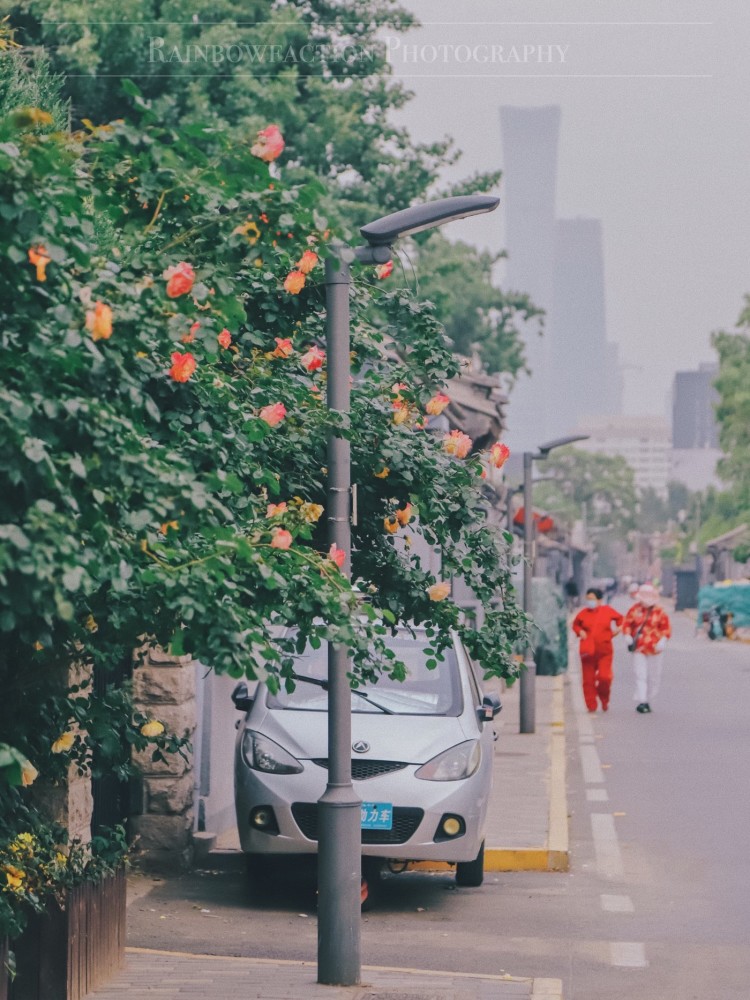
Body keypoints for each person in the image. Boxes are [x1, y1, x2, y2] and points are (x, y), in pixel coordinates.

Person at [622, 583, 672, 714]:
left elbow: (666, 628)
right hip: (639, 647)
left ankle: (649, 699)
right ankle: (642, 700)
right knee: (640, 674)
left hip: (655, 648)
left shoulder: (660, 611)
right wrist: (627, 635)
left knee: (654, 676)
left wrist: (663, 640)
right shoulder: (635, 610)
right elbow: (627, 624)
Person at [572, 588, 623, 712]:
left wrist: (618, 629)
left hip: (605, 651)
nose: (589, 601)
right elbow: (575, 625)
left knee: (605, 677)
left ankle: (604, 698)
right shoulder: (583, 613)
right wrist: (580, 631)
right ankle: (591, 704)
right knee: (588, 681)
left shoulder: (607, 611)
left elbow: (621, 619)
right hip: (588, 652)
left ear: (599, 600)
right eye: (588, 599)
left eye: (592, 599)